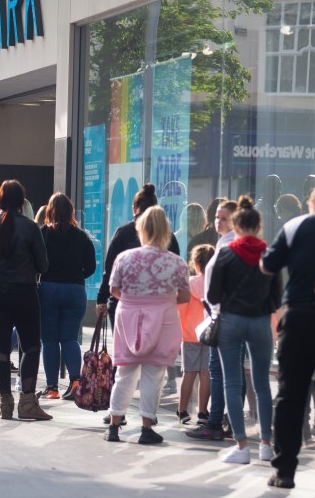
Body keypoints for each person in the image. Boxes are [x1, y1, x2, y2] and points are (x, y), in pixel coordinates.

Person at [261, 184, 315, 490]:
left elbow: (268, 265)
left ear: (314, 203)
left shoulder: (295, 225)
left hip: (300, 315)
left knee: (291, 394)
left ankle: (285, 471)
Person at [104, 206, 190, 445]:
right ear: (166, 231)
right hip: (164, 316)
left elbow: (114, 289)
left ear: (140, 229)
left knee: (125, 372)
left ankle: (114, 425)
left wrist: (136, 300)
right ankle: (146, 427)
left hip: (129, 315)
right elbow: (184, 296)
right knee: (154, 373)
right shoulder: (176, 262)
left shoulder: (125, 258)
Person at [207, 196, 282, 464]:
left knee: (232, 382)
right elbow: (277, 296)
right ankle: (265, 443)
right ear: (258, 226)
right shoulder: (268, 254)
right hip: (261, 322)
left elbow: (213, 294)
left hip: (231, 321)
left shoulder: (226, 254)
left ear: (236, 226)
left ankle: (241, 445)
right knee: (262, 384)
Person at [0, 180, 51, 421]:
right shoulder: (31, 228)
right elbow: (43, 265)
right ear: (22, 201)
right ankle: (27, 401)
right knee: (30, 346)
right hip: (24, 292)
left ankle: (4, 401)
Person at [186, 199, 239, 440]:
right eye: (216, 217)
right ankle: (229, 420)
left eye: (224, 218)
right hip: (233, 315)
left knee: (217, 371)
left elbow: (218, 286)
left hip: (223, 317)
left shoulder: (228, 246)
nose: (218, 222)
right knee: (230, 371)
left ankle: (216, 421)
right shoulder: (230, 243)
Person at [39, 193, 97, 400]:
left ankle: (52, 387)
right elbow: (91, 266)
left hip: (48, 289)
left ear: (50, 211)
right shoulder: (82, 236)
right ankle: (75, 382)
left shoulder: (43, 233)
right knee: (70, 338)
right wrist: (76, 275)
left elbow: (35, 261)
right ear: (71, 211)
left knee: (49, 339)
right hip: (75, 290)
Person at [96, 183, 180, 325]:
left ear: (134, 209)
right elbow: (176, 269)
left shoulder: (123, 233)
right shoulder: (168, 236)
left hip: (126, 304)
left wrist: (102, 299)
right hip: (159, 307)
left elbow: (110, 269)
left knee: (127, 346)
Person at [177, 243, 215, 424]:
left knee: (189, 373)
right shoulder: (215, 284)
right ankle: (202, 412)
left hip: (190, 333)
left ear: (196, 264)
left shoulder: (190, 283)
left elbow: (181, 309)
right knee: (205, 372)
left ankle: (182, 410)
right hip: (209, 333)